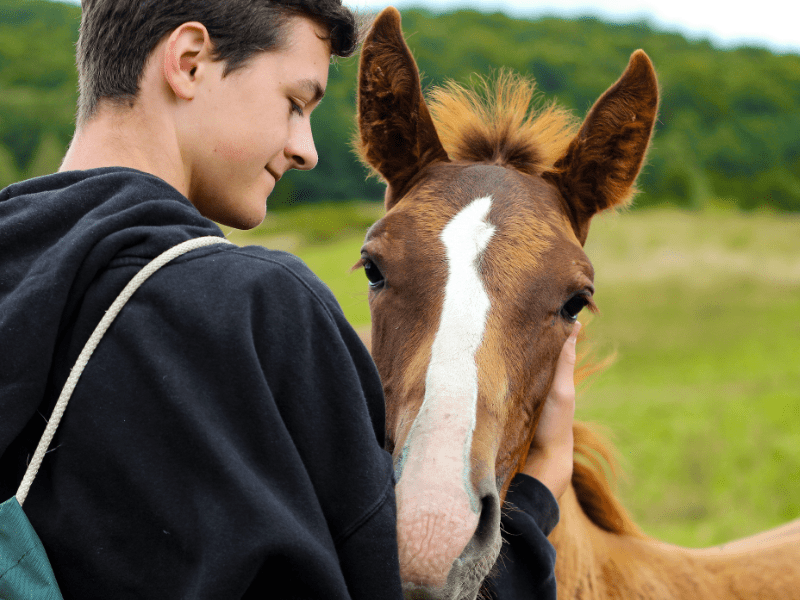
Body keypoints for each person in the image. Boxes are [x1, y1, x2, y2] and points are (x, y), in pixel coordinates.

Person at [0, 1, 577, 598]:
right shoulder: (260, 312)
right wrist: (535, 496)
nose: (307, 148)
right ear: (190, 63)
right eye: (296, 104)